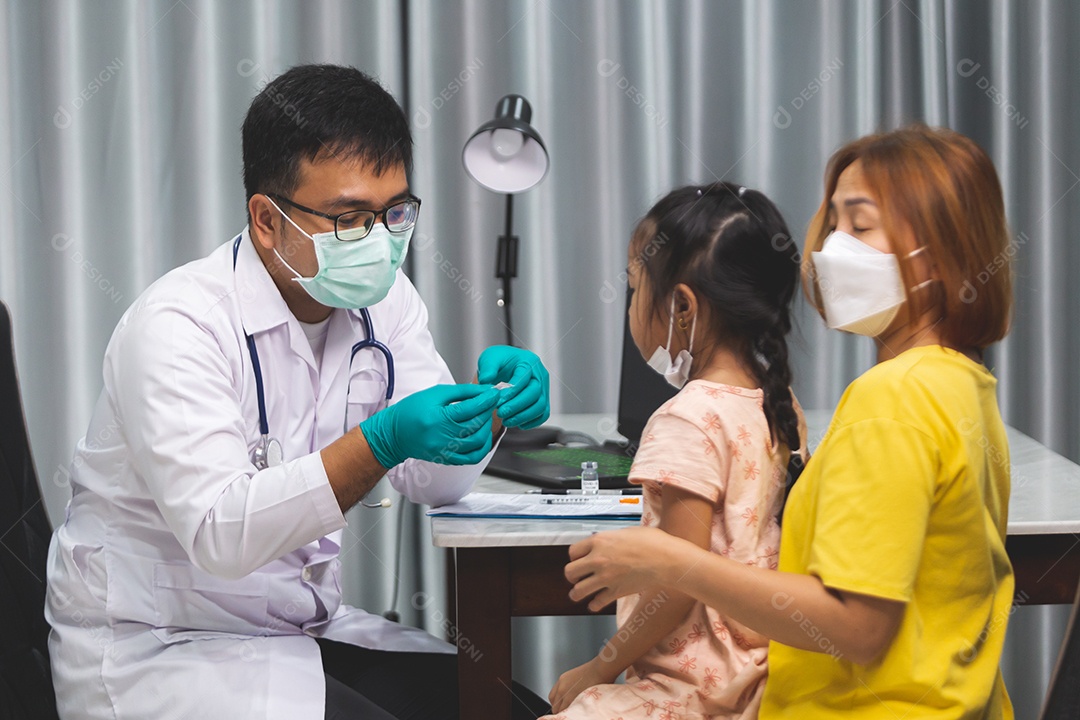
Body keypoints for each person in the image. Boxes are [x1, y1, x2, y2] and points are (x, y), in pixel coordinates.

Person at [44, 64, 552, 720]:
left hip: (289, 634)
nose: (380, 242)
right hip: (161, 645)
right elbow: (223, 535)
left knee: (516, 709)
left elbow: (434, 482)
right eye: (349, 218)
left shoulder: (386, 301)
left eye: (395, 211)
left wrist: (487, 412)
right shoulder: (177, 325)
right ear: (266, 220)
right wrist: (380, 440)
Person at [564, 125, 1016, 719]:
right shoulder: (962, 385)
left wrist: (672, 562)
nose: (830, 248)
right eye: (833, 224)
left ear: (936, 254)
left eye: (859, 225)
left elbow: (857, 627)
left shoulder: (893, 401)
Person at [544, 182, 806, 719]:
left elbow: (676, 585)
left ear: (681, 307)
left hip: (690, 691)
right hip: (760, 679)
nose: (633, 305)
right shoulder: (781, 404)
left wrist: (599, 667)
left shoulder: (686, 418)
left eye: (636, 289)